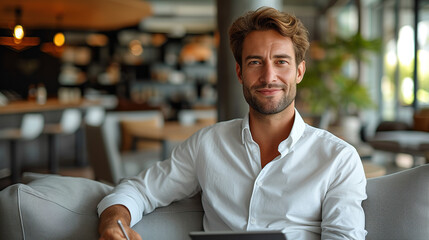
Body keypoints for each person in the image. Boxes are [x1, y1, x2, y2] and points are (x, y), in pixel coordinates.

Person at [98, 7, 367, 240]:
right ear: (240, 72)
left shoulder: (338, 159)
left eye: (281, 62)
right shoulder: (206, 145)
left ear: (299, 72)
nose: (268, 76)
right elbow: (138, 190)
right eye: (255, 62)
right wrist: (112, 224)